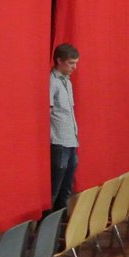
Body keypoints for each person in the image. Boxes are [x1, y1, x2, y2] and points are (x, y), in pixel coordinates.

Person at [49, 43, 80, 212]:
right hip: (59, 141)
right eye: (71, 63)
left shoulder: (67, 82)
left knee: (67, 186)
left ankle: (62, 219)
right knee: (55, 186)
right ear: (59, 61)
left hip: (71, 139)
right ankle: (48, 222)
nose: (74, 67)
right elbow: (48, 111)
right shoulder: (52, 82)